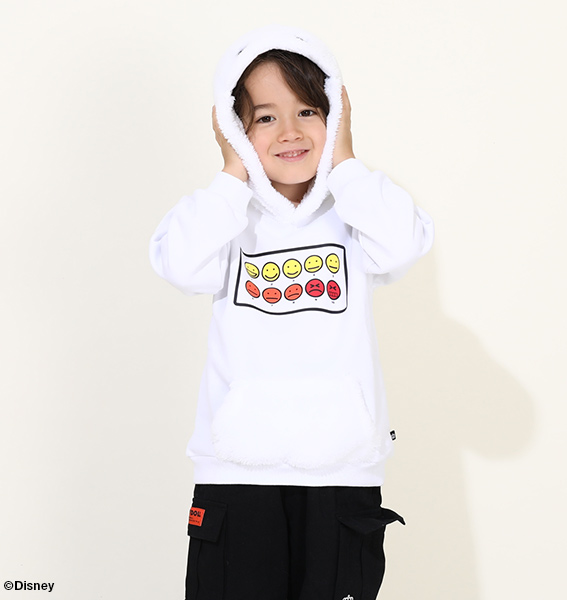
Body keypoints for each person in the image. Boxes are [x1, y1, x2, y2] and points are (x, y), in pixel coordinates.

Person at [150, 25, 434, 600]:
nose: (290, 132)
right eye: (264, 117)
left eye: (308, 111)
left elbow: (404, 245)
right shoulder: (227, 217)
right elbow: (178, 264)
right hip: (237, 473)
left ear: (336, 116)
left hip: (341, 471)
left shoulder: (354, 211)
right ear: (235, 129)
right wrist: (232, 174)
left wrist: (345, 162)